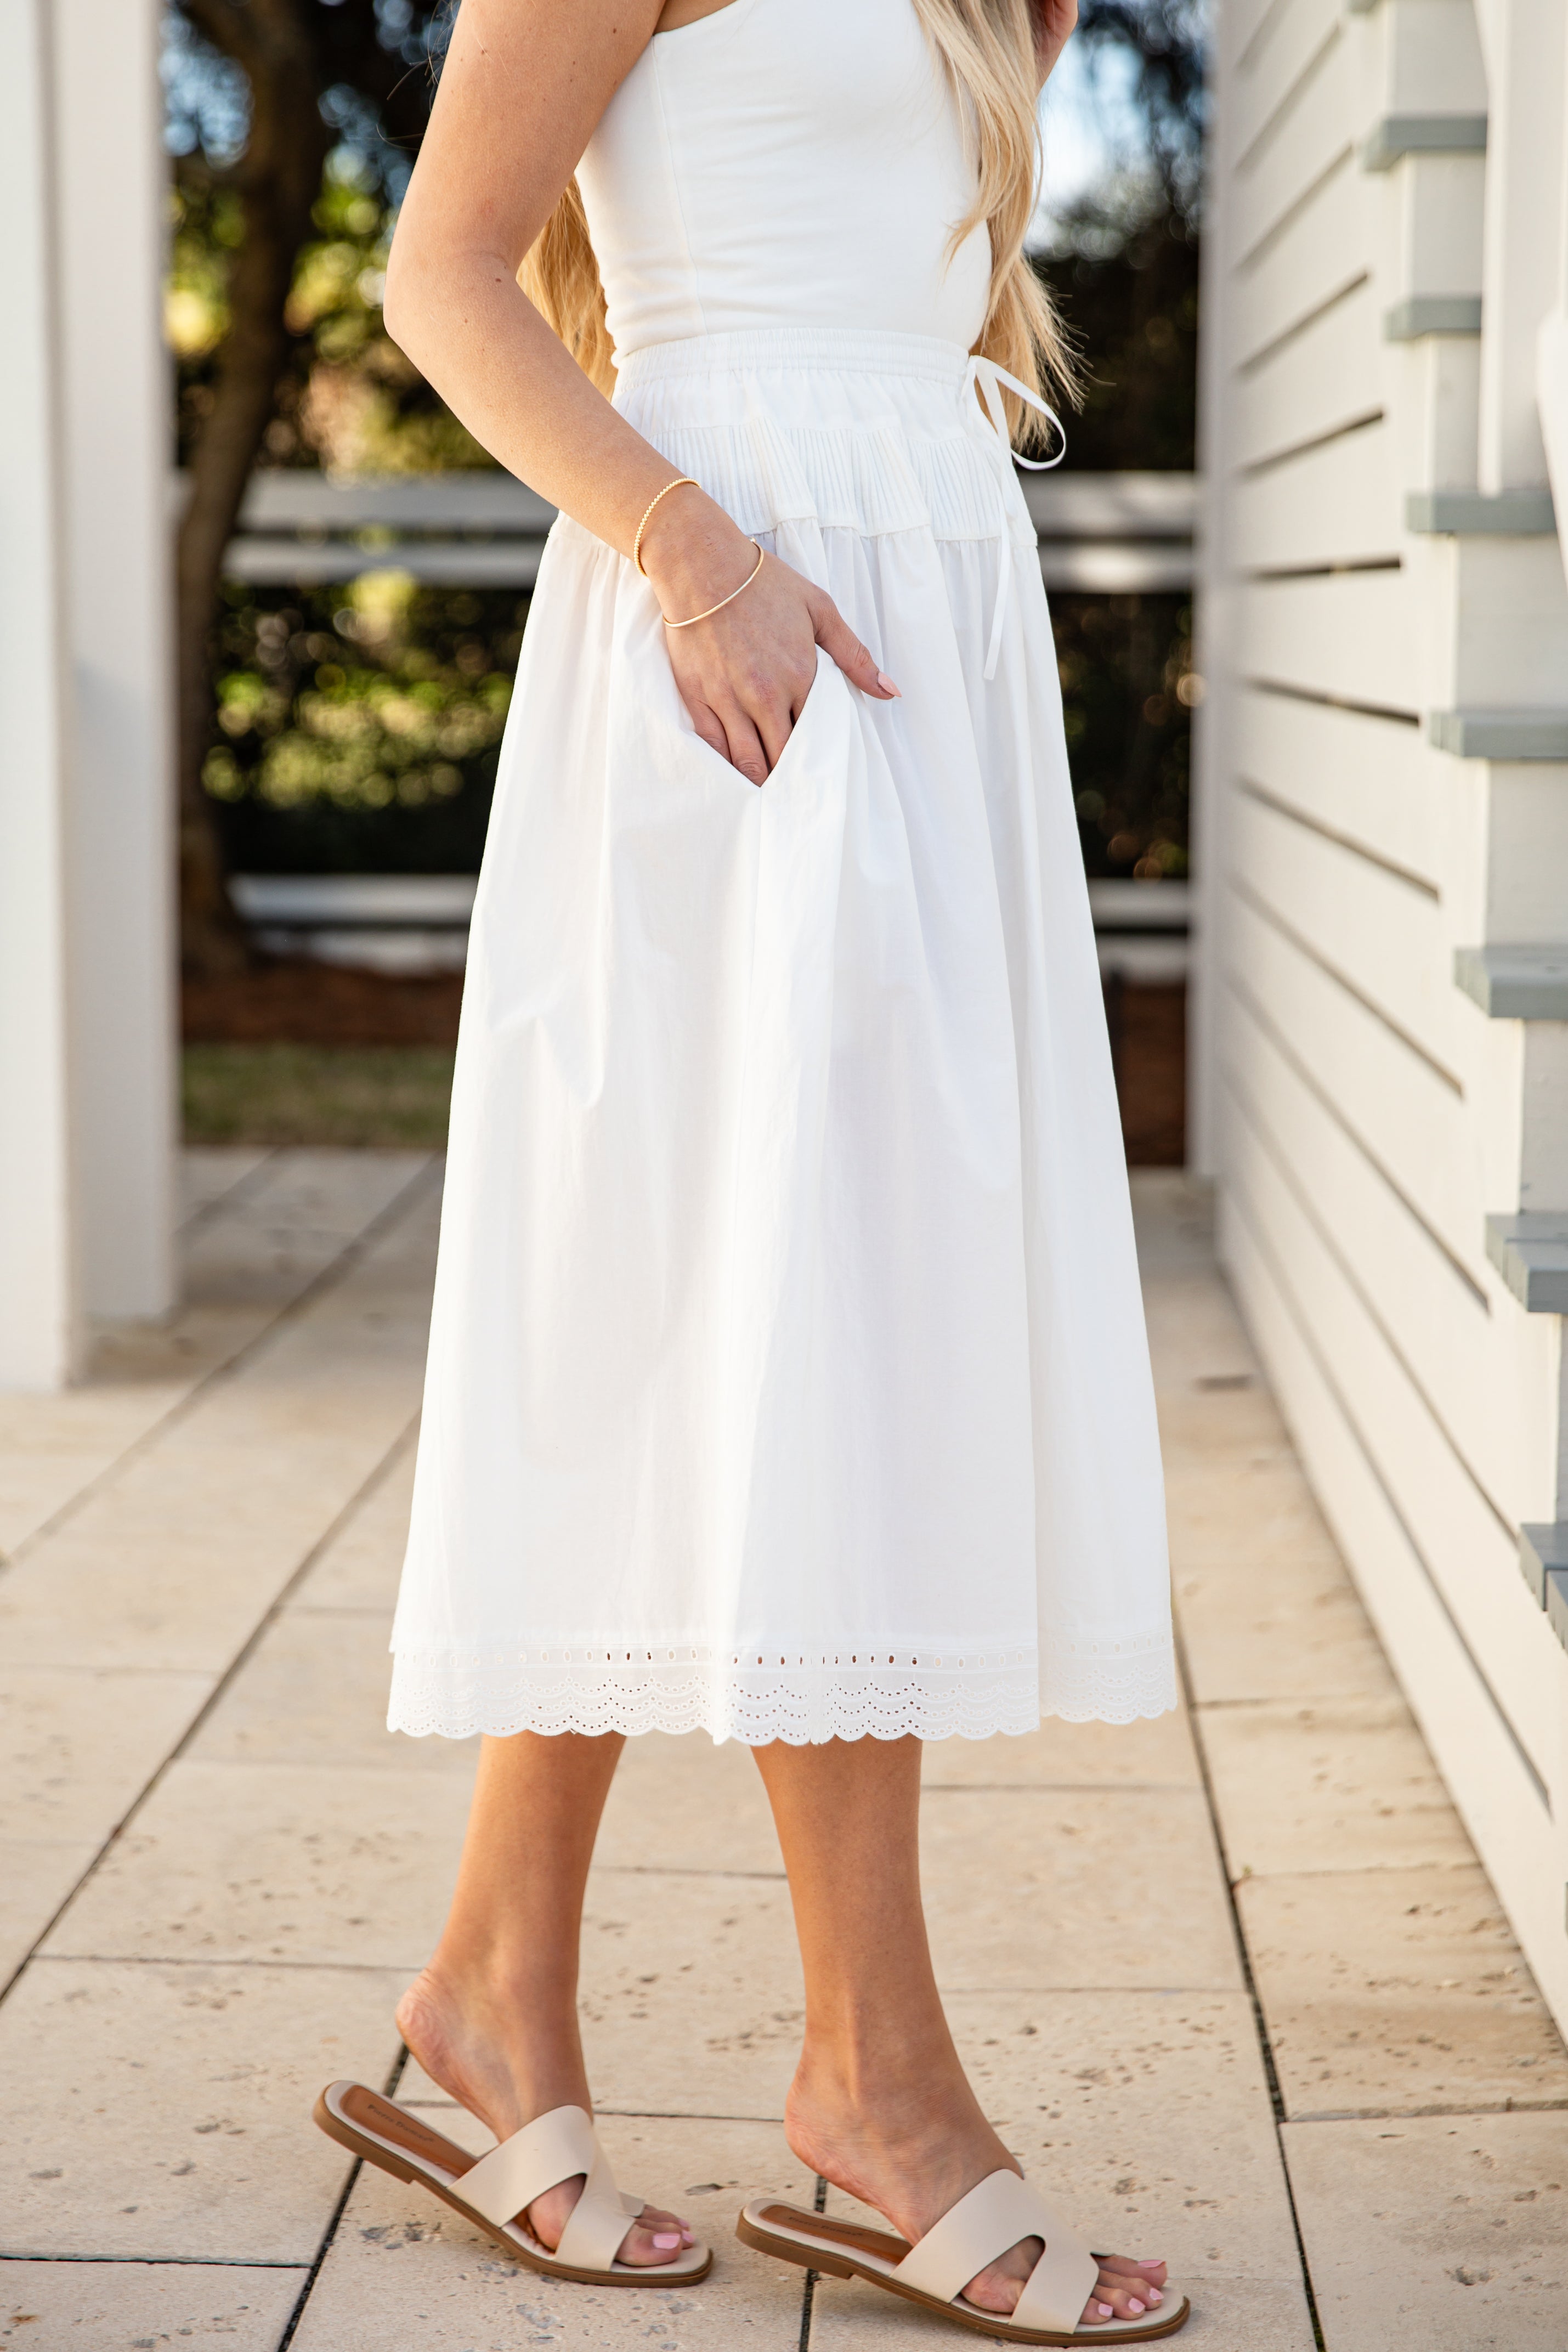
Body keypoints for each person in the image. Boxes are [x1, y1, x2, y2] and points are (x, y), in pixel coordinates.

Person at [313, 0, 1188, 2337]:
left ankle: (487, 1997)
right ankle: (873, 2085)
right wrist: (698, 556)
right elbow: (441, 274)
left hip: (916, 628)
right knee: (775, 1306)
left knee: (762, 1310)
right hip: (729, 641)